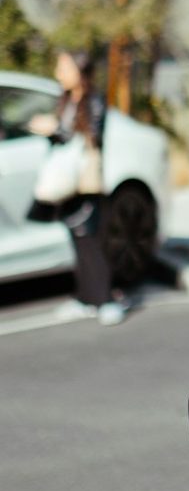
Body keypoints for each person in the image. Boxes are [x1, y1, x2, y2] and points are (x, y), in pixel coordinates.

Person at [28, 49, 125, 327]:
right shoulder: (66, 100)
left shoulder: (93, 100)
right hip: (68, 183)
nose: (58, 74)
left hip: (86, 183)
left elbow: (92, 136)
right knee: (78, 240)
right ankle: (86, 298)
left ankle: (106, 300)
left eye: (64, 68)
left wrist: (56, 128)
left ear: (79, 71)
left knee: (92, 241)